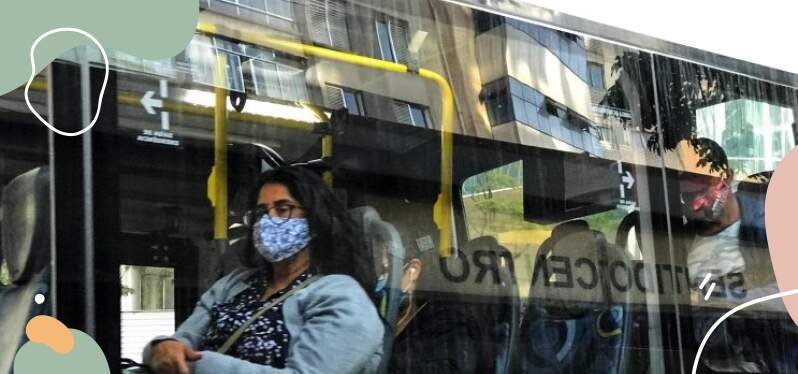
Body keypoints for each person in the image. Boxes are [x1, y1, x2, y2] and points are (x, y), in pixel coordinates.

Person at [143, 165, 384, 374]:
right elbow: (181, 341)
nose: (268, 221)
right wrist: (161, 347)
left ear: (315, 220)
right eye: (260, 213)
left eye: (283, 209)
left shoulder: (341, 296)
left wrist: (196, 365)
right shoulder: (234, 284)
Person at [677, 138, 797, 372]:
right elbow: (703, 332)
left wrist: (734, 303)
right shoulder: (687, 251)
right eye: (688, 194)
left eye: (704, 186)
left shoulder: (772, 219)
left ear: (727, 177)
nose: (698, 201)